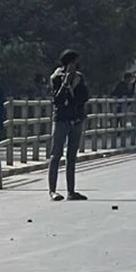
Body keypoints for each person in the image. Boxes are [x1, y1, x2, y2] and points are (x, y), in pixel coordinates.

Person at [48, 49, 91, 201]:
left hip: (76, 120)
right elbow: (57, 100)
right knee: (55, 156)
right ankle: (52, 191)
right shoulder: (56, 77)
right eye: (73, 62)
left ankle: (71, 191)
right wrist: (65, 84)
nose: (75, 66)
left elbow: (84, 97)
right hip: (61, 120)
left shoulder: (80, 78)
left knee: (71, 157)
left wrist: (76, 85)